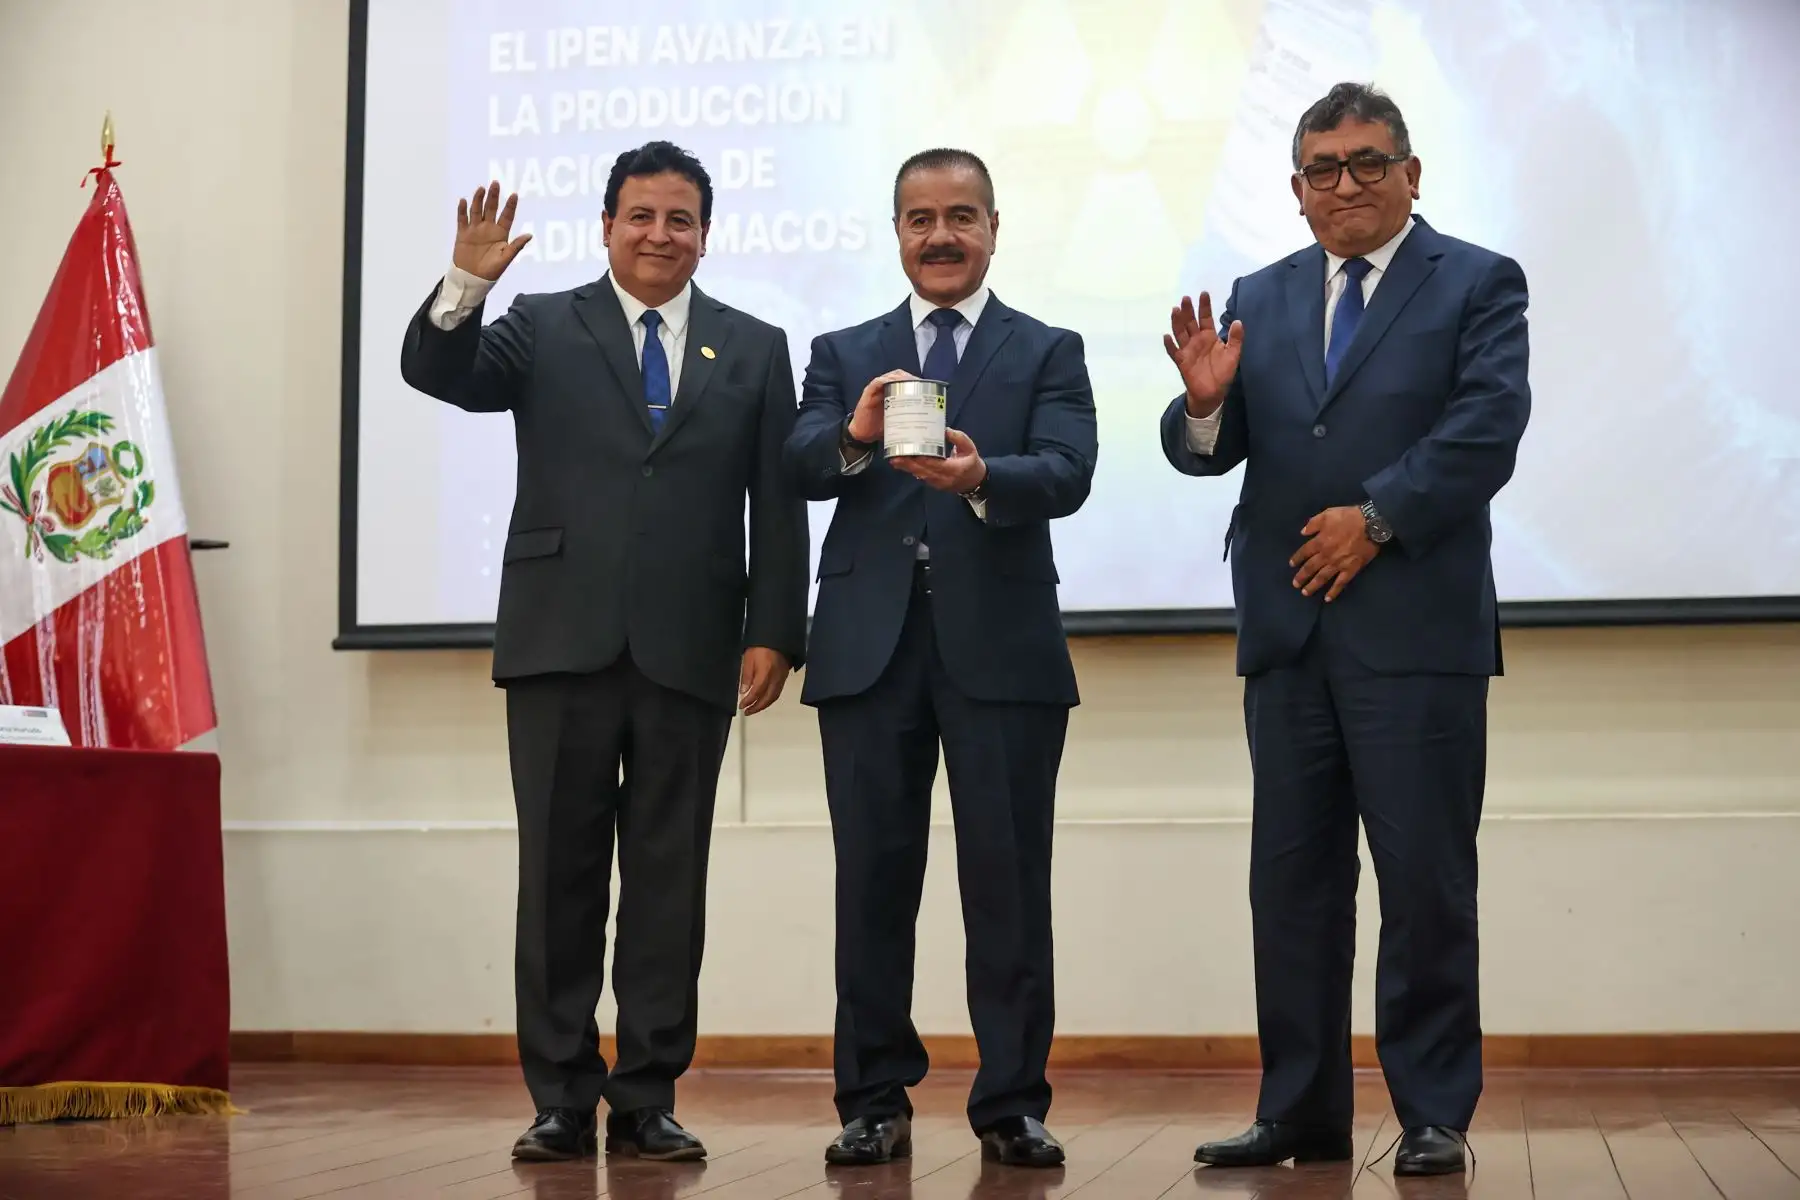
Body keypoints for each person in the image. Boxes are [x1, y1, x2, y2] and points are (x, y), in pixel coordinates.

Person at [399, 141, 809, 1163]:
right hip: (558, 640)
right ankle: (558, 1096)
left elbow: (779, 501)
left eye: (680, 219)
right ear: (607, 226)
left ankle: (646, 1095)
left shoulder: (754, 347)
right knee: (558, 879)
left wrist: (773, 629)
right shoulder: (539, 324)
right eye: (641, 216)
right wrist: (465, 286)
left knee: (670, 879)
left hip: (694, 645)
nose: (660, 235)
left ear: (705, 235)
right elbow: (438, 375)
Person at [1160, 83, 1530, 1177]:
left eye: (1370, 162)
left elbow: (1486, 429)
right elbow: (1203, 453)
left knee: (1423, 882)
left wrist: (1375, 520)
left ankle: (1429, 1112)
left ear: (1411, 174)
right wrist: (1205, 405)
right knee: (1293, 886)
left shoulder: (1474, 281)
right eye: (1324, 168)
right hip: (1289, 641)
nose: (1347, 184)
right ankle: (1301, 1112)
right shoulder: (1261, 296)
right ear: (1297, 191)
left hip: (1415, 637)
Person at [783, 148, 1097, 1169]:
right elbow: (798, 463)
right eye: (921, 219)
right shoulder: (844, 350)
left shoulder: (1048, 348)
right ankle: (872, 1098)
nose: (942, 235)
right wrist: (856, 433)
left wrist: (975, 477)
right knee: (872, 882)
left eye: (962, 216)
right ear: (898, 233)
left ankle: (1011, 1104)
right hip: (870, 655)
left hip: (1002, 652)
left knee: (1008, 883)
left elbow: (1067, 470)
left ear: (994, 227)